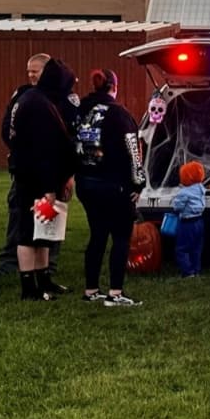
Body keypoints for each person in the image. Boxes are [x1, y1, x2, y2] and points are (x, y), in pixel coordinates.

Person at [8, 57, 79, 301]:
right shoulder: (39, 104)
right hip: (35, 180)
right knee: (29, 232)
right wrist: (49, 186)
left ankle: (42, 280)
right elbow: (46, 150)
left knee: (43, 231)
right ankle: (29, 287)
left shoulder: (31, 99)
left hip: (31, 175)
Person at [74, 68, 145, 307]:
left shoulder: (82, 111)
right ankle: (115, 292)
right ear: (115, 86)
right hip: (114, 185)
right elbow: (133, 150)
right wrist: (138, 182)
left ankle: (91, 289)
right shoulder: (119, 114)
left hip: (86, 182)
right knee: (121, 236)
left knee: (97, 235)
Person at [0, 53, 61, 278]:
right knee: (21, 219)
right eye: (29, 71)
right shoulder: (22, 95)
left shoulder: (58, 95)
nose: (31, 75)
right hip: (27, 170)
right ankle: (12, 264)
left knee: (48, 220)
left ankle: (46, 268)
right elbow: (8, 127)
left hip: (49, 171)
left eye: (36, 71)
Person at [172, 161, 207, 278]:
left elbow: (177, 207)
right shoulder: (201, 188)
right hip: (199, 222)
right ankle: (196, 270)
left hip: (187, 223)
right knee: (196, 248)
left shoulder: (184, 193)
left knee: (182, 249)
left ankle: (188, 272)